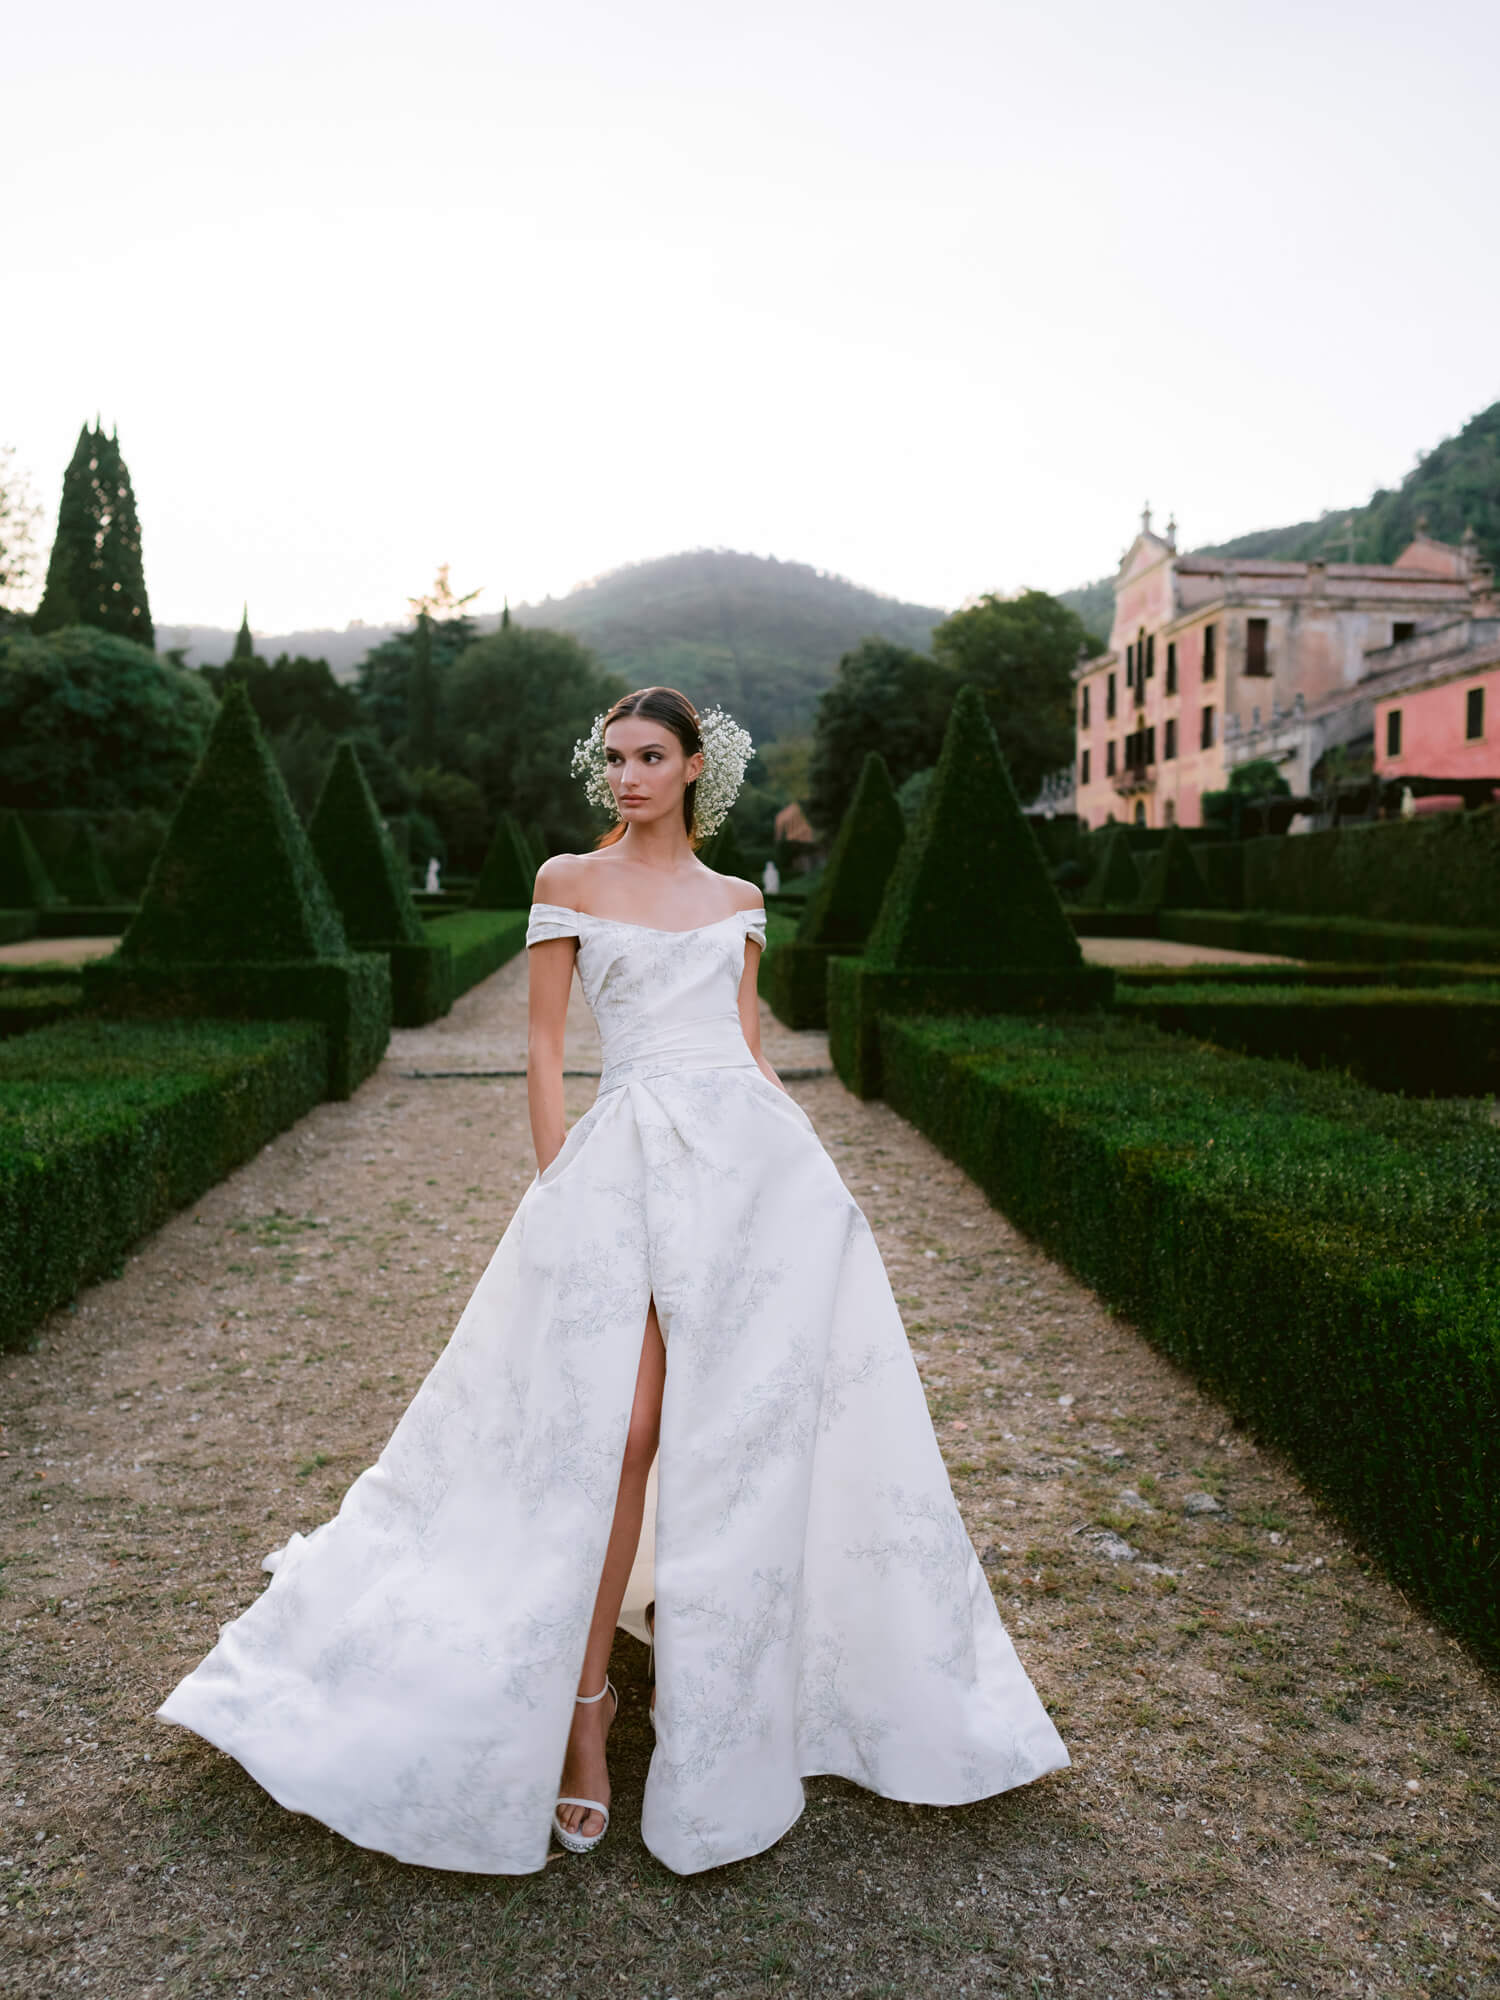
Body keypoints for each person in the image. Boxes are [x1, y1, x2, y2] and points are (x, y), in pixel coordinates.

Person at [154, 685, 1068, 1875]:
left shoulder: (739, 902)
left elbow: (746, 1050)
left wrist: (819, 1175)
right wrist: (559, 1183)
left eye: (650, 756)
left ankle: (720, 1683)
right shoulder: (566, 881)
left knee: (732, 1431)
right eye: (614, 756)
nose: (627, 775)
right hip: (623, 1163)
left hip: (746, 1171)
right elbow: (543, 1045)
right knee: (624, 1427)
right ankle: (584, 1707)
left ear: (695, 767)